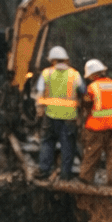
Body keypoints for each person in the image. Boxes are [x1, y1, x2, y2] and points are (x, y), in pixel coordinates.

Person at [35, 45, 83, 180]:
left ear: (52, 60)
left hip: (50, 115)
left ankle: (44, 170)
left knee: (47, 142)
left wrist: (39, 110)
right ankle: (65, 174)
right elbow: (83, 90)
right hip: (69, 117)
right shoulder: (75, 74)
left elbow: (39, 93)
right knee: (68, 146)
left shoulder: (46, 73)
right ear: (66, 60)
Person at [79, 58, 112, 186]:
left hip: (98, 126)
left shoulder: (92, 87)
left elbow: (86, 104)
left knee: (93, 152)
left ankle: (86, 178)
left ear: (93, 74)